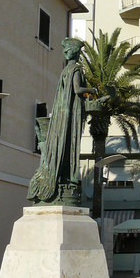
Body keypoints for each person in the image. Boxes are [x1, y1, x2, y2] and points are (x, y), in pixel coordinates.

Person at [28, 37, 98, 204]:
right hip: (70, 113)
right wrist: (92, 90)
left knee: (63, 144)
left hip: (62, 113)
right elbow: (78, 90)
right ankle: (66, 179)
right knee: (70, 145)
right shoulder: (76, 69)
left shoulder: (65, 70)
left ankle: (56, 179)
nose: (65, 52)